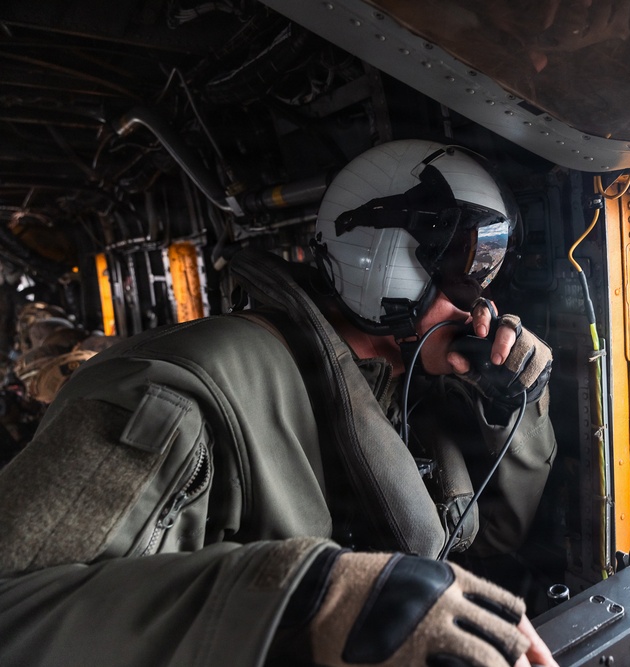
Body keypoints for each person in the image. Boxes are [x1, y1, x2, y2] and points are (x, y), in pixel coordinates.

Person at [0, 140, 558, 666]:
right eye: (463, 281)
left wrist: (516, 403)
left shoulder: (407, 387)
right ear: (388, 269)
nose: (480, 310)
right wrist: (296, 604)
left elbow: (497, 536)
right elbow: (17, 611)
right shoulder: (174, 397)